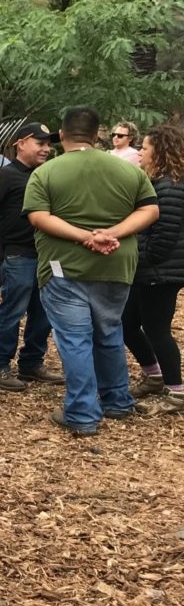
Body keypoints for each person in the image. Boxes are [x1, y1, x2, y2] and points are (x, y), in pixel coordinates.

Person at [24, 106, 159, 435]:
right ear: (98, 134)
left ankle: (82, 413)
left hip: (64, 267)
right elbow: (150, 210)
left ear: (61, 134)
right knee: (109, 332)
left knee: (75, 340)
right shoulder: (127, 170)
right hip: (116, 265)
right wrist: (113, 233)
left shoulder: (46, 173)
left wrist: (85, 236)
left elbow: (38, 216)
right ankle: (117, 401)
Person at [0, 123, 65, 391]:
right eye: (40, 143)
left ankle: (31, 363)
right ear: (21, 143)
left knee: (44, 312)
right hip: (18, 255)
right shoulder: (5, 174)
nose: (46, 149)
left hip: (48, 254)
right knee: (13, 310)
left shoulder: (47, 174)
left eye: (48, 144)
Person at [123, 123, 184, 415]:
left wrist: (141, 259)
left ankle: (177, 392)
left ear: (159, 151)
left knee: (157, 329)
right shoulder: (160, 182)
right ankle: (154, 374)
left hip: (160, 273)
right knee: (127, 324)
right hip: (150, 271)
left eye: (144, 148)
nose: (140, 153)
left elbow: (163, 238)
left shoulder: (170, 187)